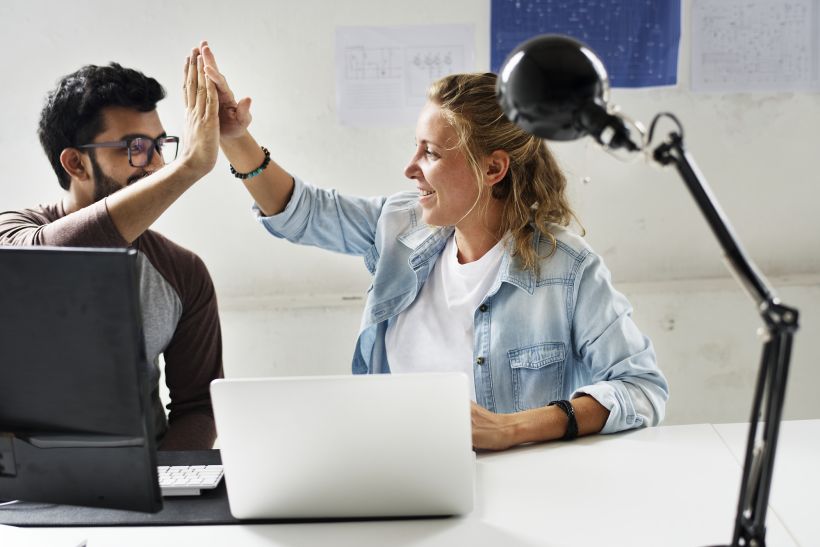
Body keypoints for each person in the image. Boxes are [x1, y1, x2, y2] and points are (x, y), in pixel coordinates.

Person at [200, 41, 668, 450]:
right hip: (397, 473)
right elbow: (301, 211)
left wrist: (512, 428)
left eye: (430, 152)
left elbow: (641, 388)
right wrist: (236, 138)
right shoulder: (398, 229)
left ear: (493, 169)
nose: (410, 168)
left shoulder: (569, 270)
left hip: (525, 489)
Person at [0, 52, 222, 450]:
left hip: (141, 492)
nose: (155, 165)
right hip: (19, 493)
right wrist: (188, 167)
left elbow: (199, 407)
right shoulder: (12, 233)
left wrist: (161, 483)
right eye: (134, 146)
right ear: (76, 163)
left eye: (160, 145)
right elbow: (43, 262)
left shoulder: (183, 272)